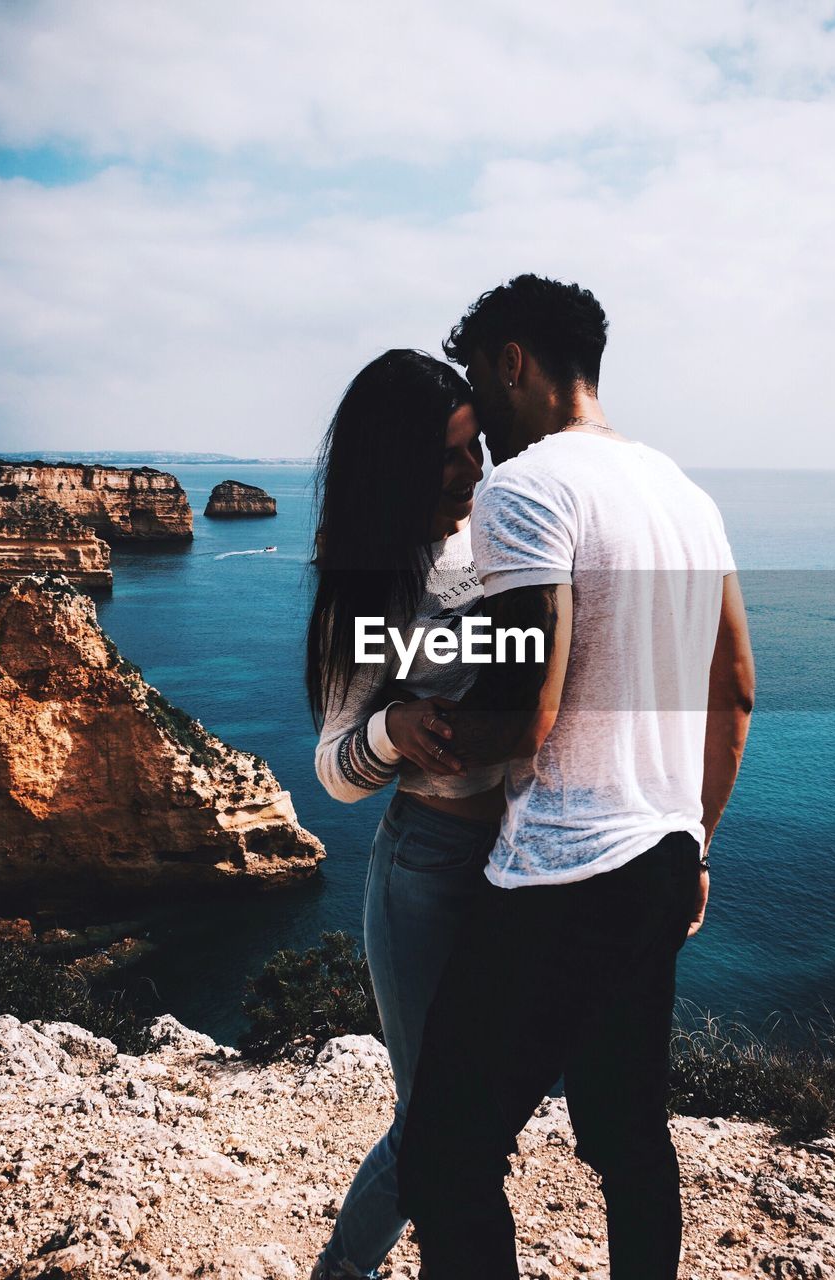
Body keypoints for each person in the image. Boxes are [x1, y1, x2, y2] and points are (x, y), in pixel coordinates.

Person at [396, 275, 756, 1279]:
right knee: (626, 1135)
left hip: (562, 874)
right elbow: (734, 689)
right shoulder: (684, 493)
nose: (478, 424)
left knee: (446, 1151)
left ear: (512, 362)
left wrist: (416, 729)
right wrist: (697, 848)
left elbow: (530, 703)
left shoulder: (525, 487)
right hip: (660, 857)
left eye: (478, 376)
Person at [305, 349, 507, 1280]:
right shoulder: (375, 583)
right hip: (423, 869)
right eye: (449, 456)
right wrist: (394, 727)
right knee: (431, 1123)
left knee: (480, 1116)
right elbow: (333, 773)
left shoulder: (500, 536)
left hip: (522, 862)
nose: (473, 472)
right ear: (395, 465)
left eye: (476, 448)